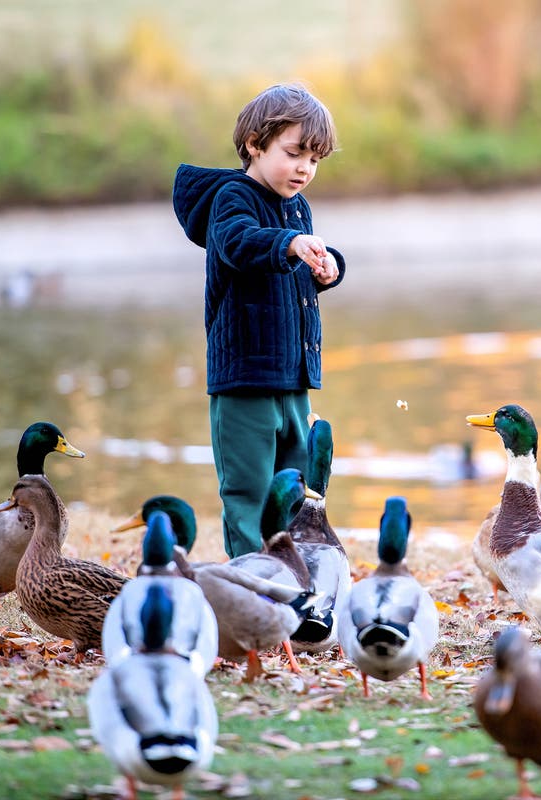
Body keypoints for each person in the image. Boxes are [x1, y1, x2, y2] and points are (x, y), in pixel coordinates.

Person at [172, 83, 346, 559]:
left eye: (314, 159)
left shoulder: (297, 206)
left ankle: (289, 584)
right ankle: (252, 589)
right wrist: (289, 244)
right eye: (294, 154)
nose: (305, 169)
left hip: (292, 380)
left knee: (292, 493)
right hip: (244, 381)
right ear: (255, 144)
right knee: (249, 494)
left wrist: (326, 268)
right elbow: (239, 243)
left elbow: (293, 280)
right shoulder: (232, 197)